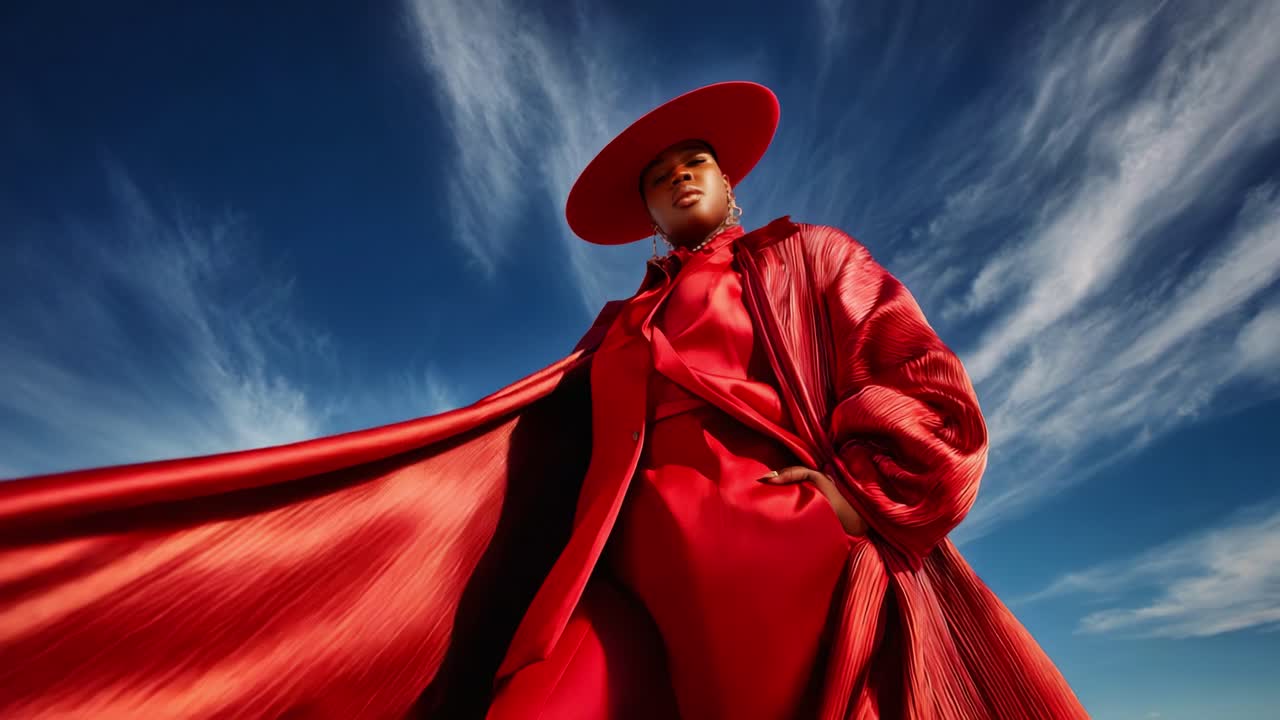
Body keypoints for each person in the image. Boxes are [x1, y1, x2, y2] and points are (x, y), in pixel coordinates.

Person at [0, 82, 1090, 719]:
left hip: (781, 566)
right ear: (643, 207)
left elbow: (927, 388)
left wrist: (853, 504)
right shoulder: (615, 327)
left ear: (728, 180)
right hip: (617, 572)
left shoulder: (805, 256)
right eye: (658, 172)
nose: (676, 175)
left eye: (694, 161)